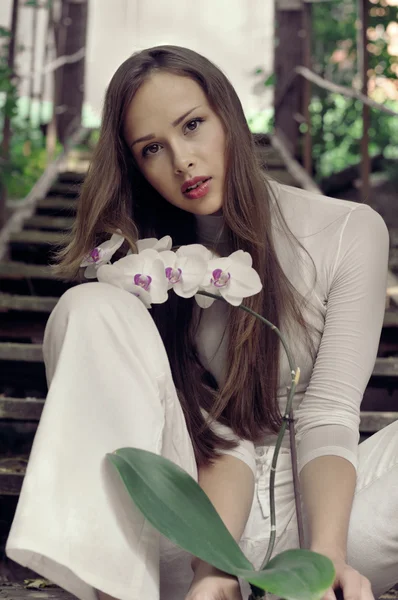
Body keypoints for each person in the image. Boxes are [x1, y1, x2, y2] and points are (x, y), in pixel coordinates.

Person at [5, 45, 398, 600]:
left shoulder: (349, 231)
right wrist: (212, 568)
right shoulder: (152, 267)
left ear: (228, 115)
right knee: (88, 307)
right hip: (191, 525)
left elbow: (330, 412)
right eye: (152, 149)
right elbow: (216, 439)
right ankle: (109, 582)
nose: (183, 160)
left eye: (192, 125)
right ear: (135, 166)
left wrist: (325, 558)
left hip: (328, 520)